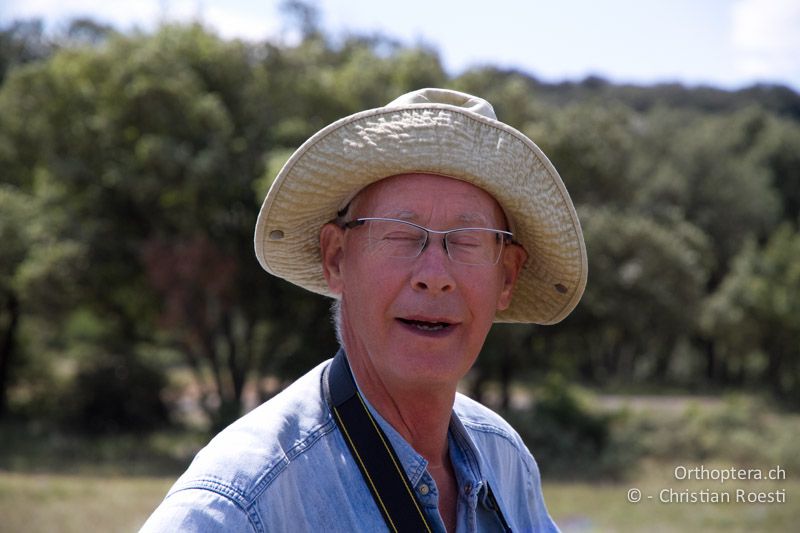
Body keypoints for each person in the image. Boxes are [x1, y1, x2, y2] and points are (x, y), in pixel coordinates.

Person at [141, 88, 587, 532]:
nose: (434, 274)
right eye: (401, 235)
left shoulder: (504, 459)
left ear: (507, 277)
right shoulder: (240, 503)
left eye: (466, 240)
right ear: (336, 258)